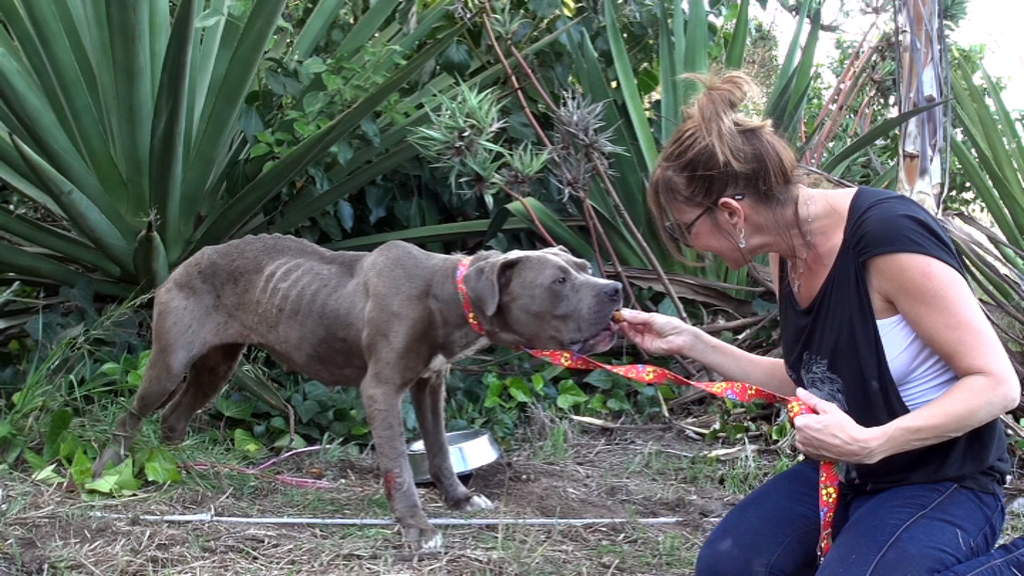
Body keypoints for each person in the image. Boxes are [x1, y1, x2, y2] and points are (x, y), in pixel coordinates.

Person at [614, 71, 1024, 575]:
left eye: (685, 229)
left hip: (944, 478)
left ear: (730, 214)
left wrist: (872, 442)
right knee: (727, 568)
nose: (687, 245)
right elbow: (812, 376)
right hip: (852, 471)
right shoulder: (788, 251)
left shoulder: (886, 237)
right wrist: (691, 341)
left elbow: (997, 385)